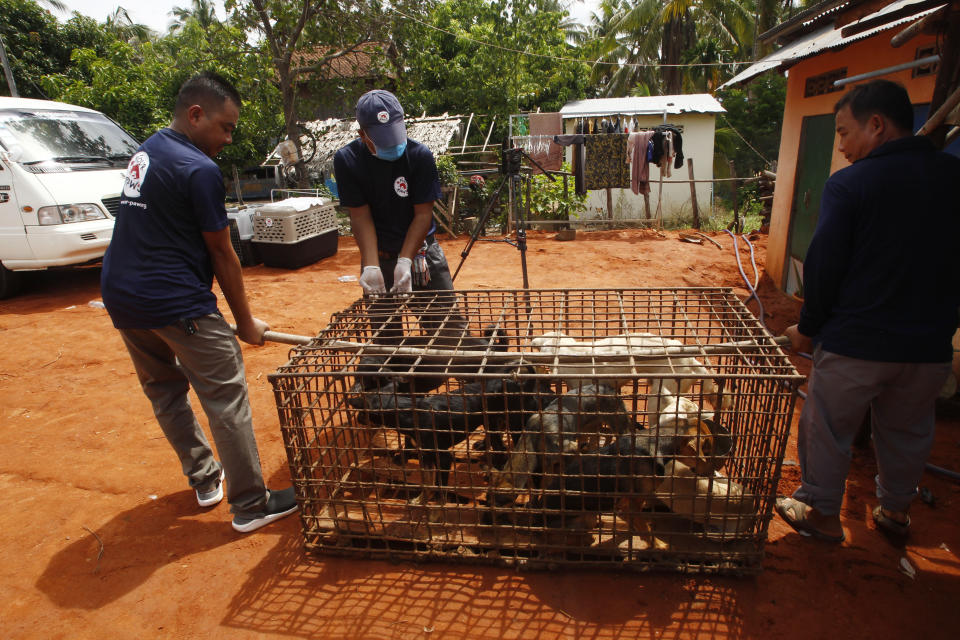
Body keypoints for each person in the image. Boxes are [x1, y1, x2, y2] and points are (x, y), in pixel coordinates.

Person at [100, 72, 298, 534]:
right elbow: (222, 251)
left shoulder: (147, 151)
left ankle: (206, 480)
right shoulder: (199, 169)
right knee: (225, 395)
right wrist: (245, 322)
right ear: (195, 115)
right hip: (173, 298)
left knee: (165, 390)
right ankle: (251, 503)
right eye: (225, 127)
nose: (228, 139)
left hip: (123, 297)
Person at [778, 80, 960, 545]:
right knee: (908, 430)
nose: (840, 147)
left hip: (856, 342)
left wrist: (809, 328)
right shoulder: (953, 177)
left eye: (843, 133)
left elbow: (824, 264)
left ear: (876, 125)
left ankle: (820, 511)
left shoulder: (850, 184)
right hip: (928, 347)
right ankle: (896, 511)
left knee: (826, 423)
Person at [333, 89, 463, 342]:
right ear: (363, 135)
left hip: (421, 255)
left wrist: (405, 261)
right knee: (386, 339)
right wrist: (371, 266)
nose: (392, 145)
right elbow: (360, 217)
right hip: (378, 256)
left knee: (450, 333)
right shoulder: (348, 160)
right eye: (383, 140)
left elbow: (422, 215)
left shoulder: (419, 156)